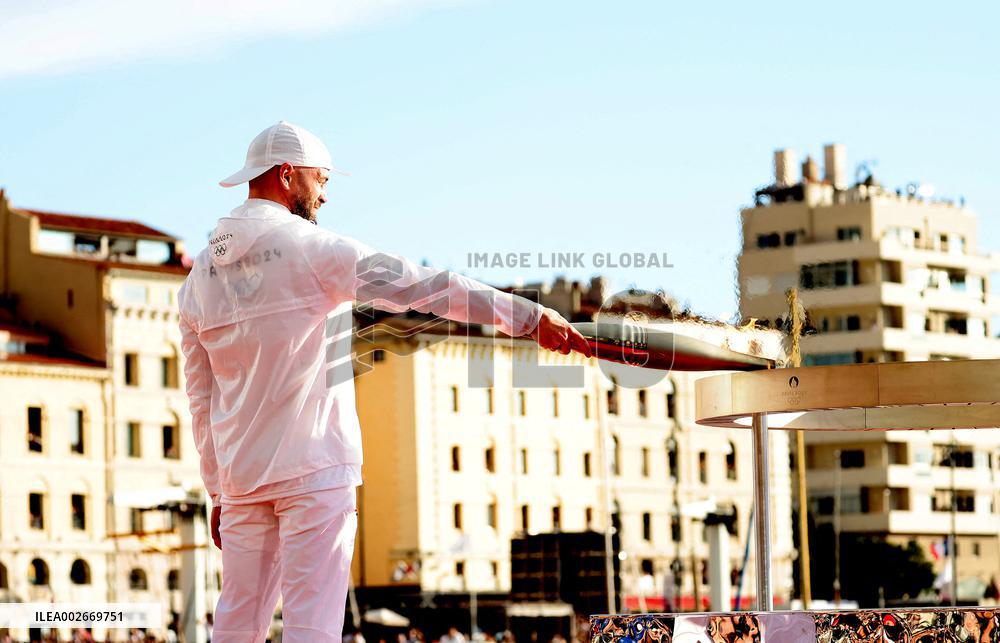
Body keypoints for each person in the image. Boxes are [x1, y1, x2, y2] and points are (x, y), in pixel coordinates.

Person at [178, 121, 590, 643]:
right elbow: (426, 288)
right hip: (314, 469)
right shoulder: (312, 249)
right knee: (313, 629)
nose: (324, 195)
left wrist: (217, 490)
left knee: (236, 628)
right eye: (320, 180)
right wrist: (528, 318)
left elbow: (201, 399)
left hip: (241, 480)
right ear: (287, 175)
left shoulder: (197, 282)